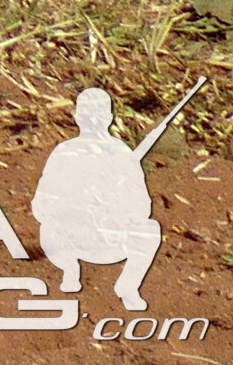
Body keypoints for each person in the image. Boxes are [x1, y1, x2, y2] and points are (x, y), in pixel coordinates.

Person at [31, 89, 166, 311]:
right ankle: (70, 271)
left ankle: (128, 287)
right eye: (88, 115)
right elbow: (42, 204)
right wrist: (75, 204)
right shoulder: (64, 152)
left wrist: (117, 207)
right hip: (70, 236)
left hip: (108, 237)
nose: (93, 121)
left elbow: (142, 206)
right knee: (52, 227)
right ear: (78, 118)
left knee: (149, 229)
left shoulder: (121, 154)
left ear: (109, 119)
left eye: (98, 115)